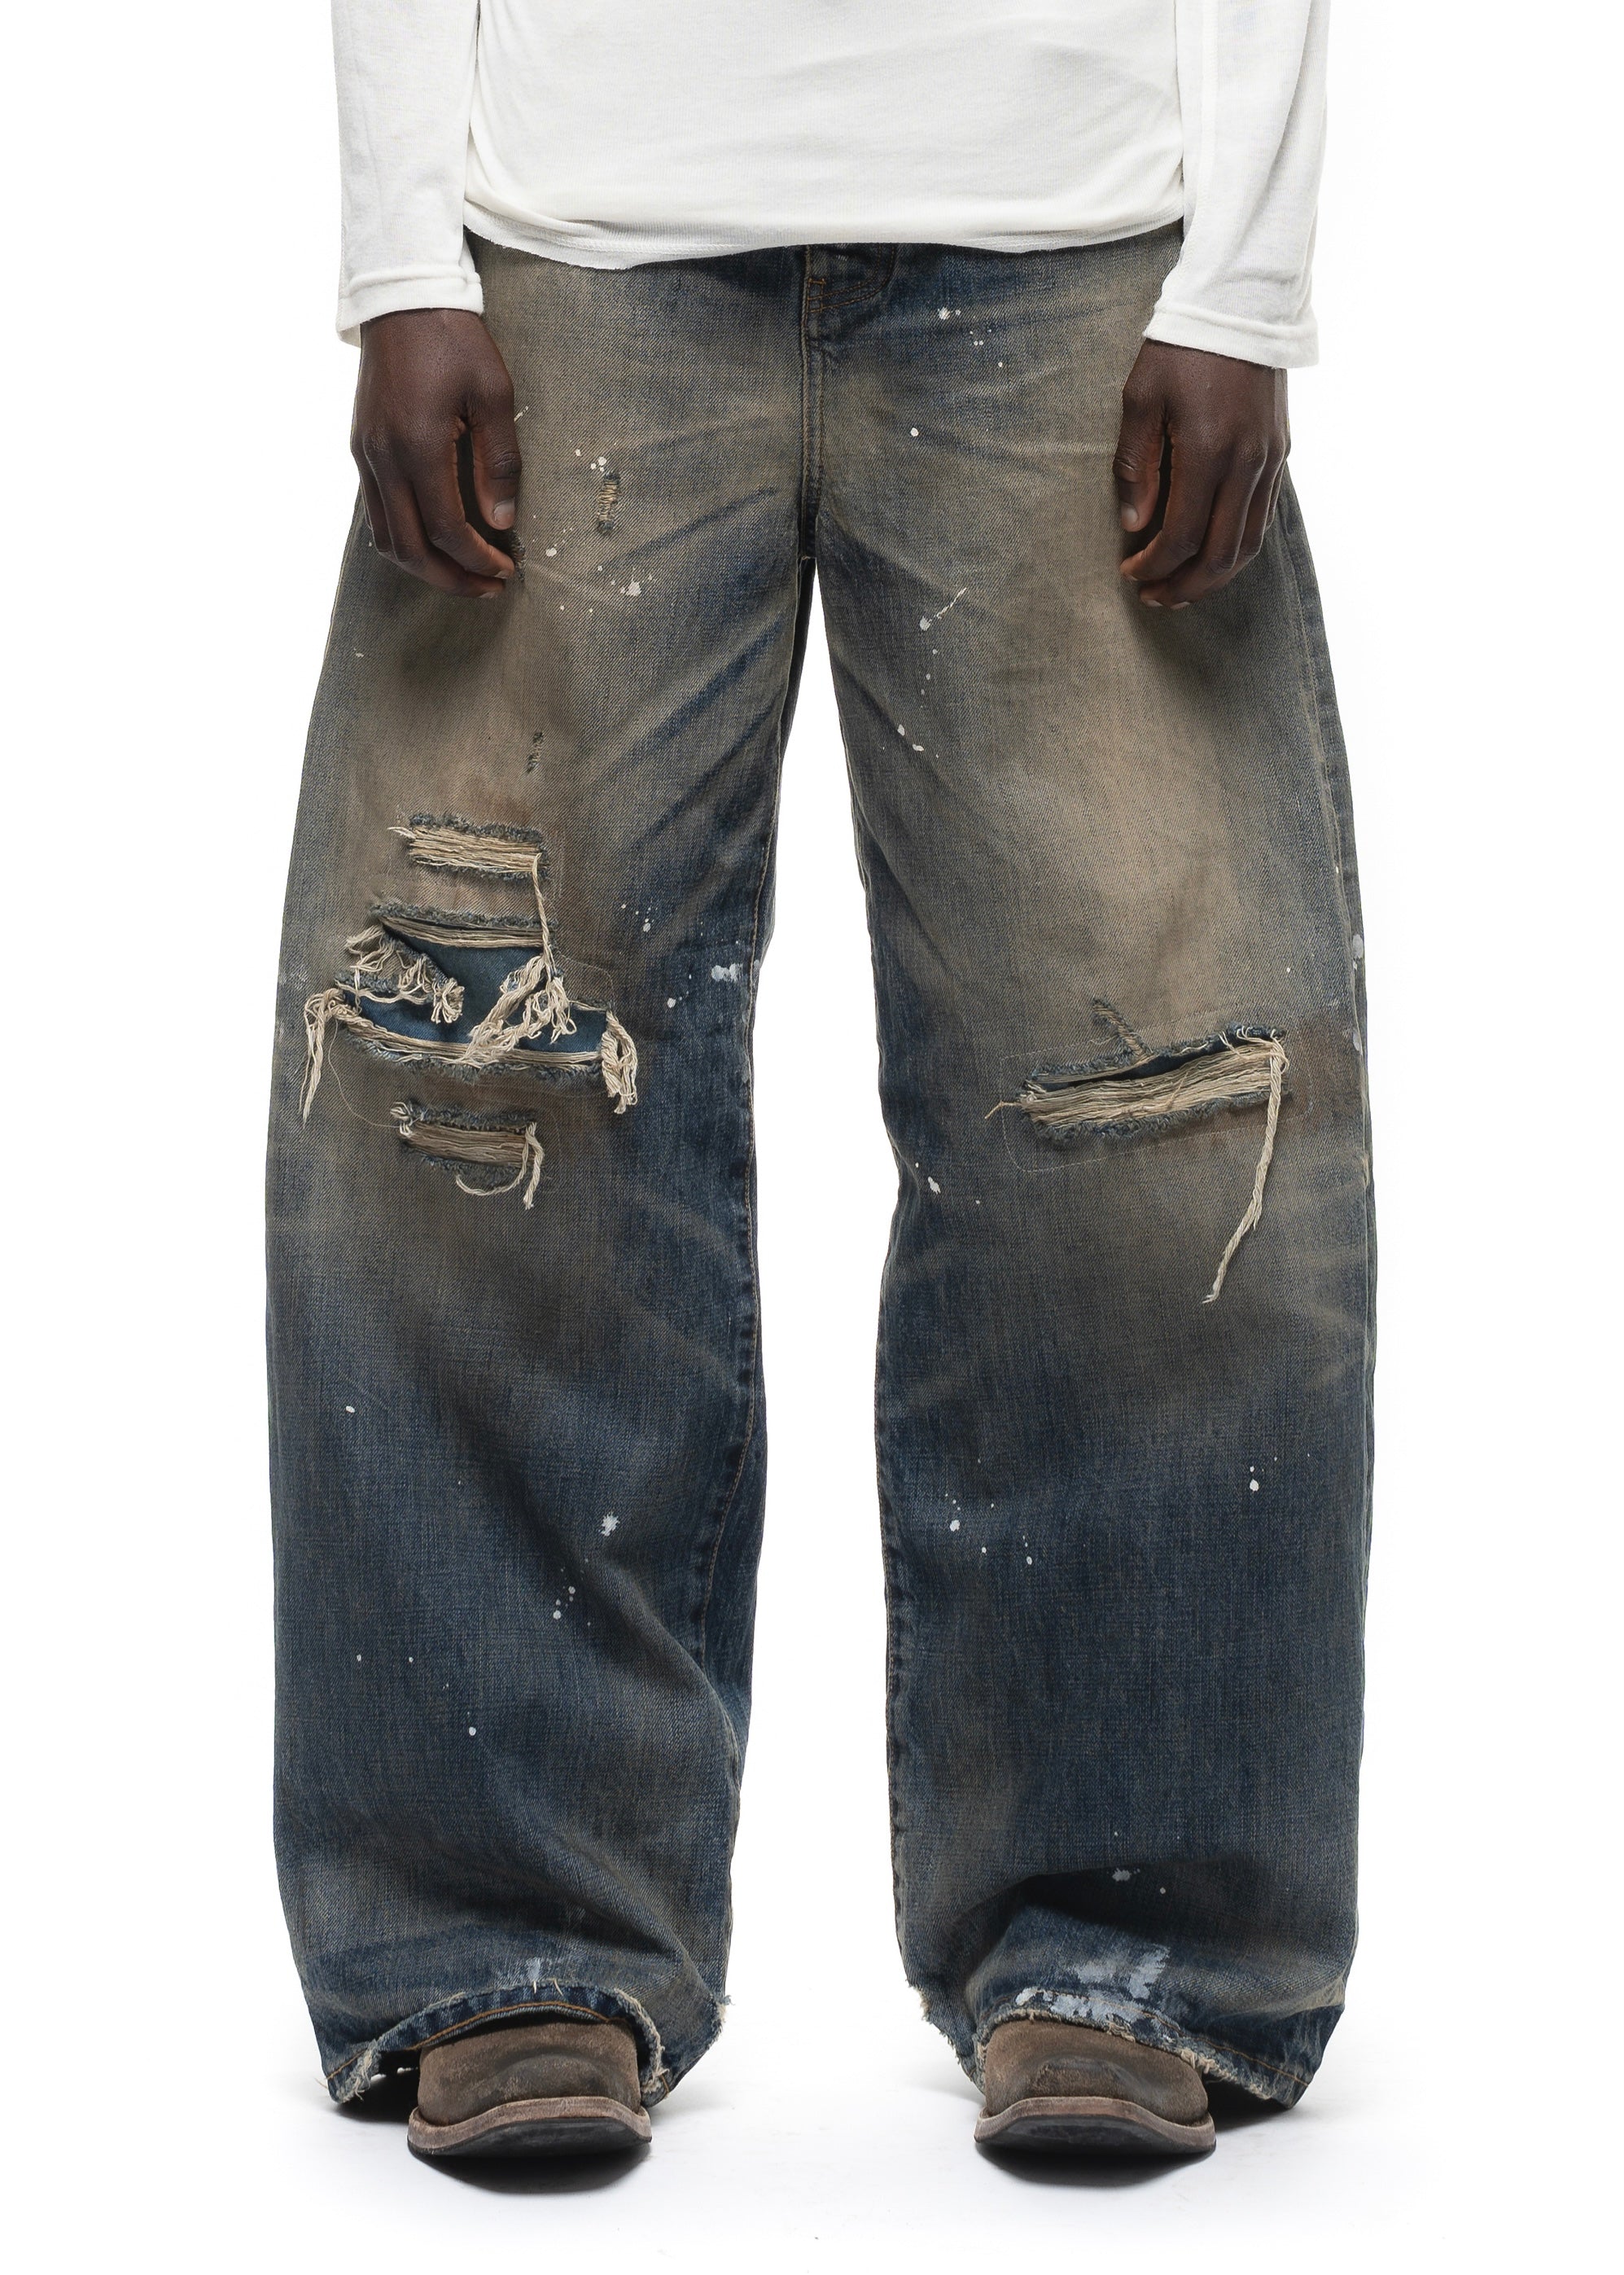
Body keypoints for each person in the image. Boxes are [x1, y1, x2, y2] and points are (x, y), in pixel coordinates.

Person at [268, 0, 1371, 2163]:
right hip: (569, 238)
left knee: (1152, 1115)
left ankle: (1128, 1939)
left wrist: (1241, 275)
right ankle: (501, 1932)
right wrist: (404, 250)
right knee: (467, 1089)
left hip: (1080, 240)